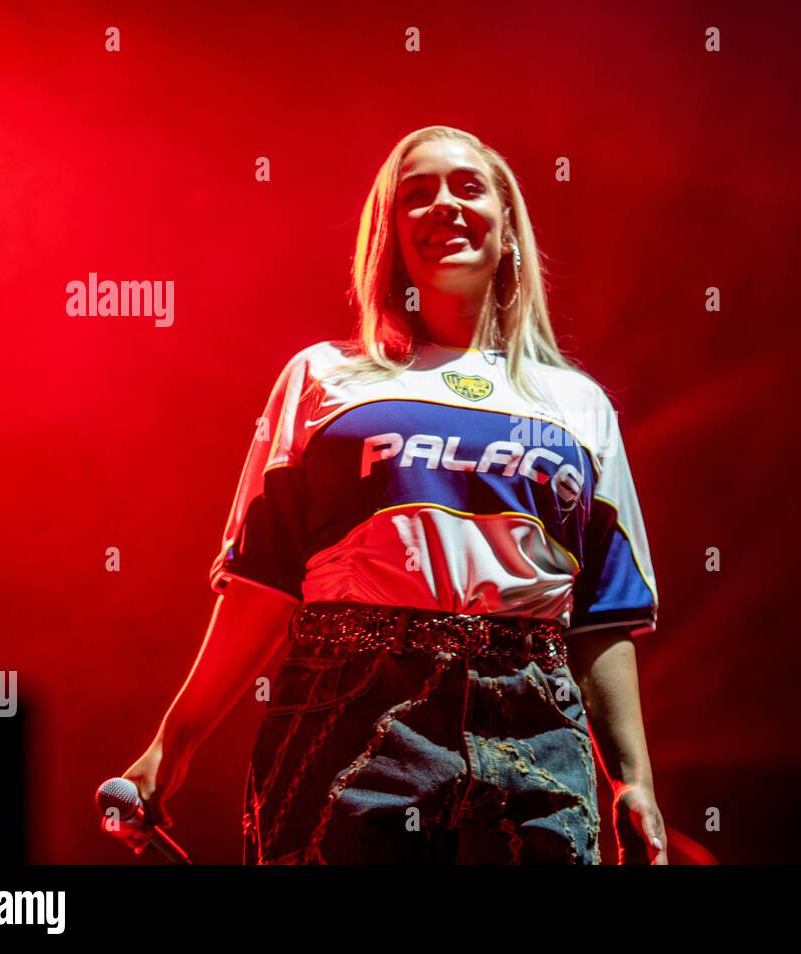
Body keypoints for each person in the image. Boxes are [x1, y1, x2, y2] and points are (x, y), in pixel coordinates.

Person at [115, 125, 666, 864]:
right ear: (389, 237)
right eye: (417, 195)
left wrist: (635, 782)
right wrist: (169, 747)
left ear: (508, 230)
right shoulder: (323, 380)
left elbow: (602, 614)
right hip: (351, 715)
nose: (444, 205)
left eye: (468, 187)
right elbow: (263, 584)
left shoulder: (578, 404)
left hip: (538, 727)